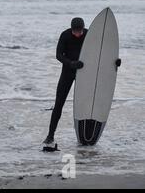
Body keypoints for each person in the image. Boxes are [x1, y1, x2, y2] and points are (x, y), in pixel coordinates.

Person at [43, 17, 121, 147]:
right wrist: (71, 63)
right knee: (59, 104)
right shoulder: (65, 35)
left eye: (80, 31)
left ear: (83, 29)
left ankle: (86, 134)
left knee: (87, 104)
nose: (78, 34)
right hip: (68, 72)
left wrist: (115, 61)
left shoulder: (90, 35)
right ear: (72, 29)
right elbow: (58, 55)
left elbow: (102, 53)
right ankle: (50, 135)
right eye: (75, 32)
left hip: (85, 74)